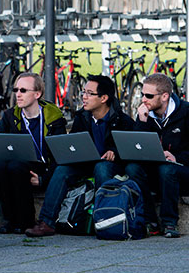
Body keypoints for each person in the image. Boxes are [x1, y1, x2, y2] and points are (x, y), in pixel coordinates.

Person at [25, 74, 135, 237]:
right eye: (84, 92)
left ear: (104, 98)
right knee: (62, 170)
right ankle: (46, 222)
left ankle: (103, 219)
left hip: (111, 166)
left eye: (90, 93)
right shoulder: (82, 117)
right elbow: (74, 143)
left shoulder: (122, 120)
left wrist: (115, 152)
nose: (84, 97)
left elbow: (131, 147)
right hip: (86, 162)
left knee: (101, 168)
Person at [0, 72, 67, 234]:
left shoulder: (53, 118)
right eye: (16, 90)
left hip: (43, 166)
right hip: (17, 162)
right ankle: (10, 220)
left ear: (37, 94)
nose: (18, 94)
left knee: (16, 167)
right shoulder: (10, 116)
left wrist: (43, 179)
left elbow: (60, 156)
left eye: (23, 90)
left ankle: (25, 220)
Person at [126, 73, 189, 238]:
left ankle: (170, 223)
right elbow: (137, 146)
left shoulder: (186, 112)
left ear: (164, 96)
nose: (143, 99)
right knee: (132, 168)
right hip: (155, 169)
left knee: (167, 170)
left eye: (148, 96)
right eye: (142, 94)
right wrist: (142, 121)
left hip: (181, 170)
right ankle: (150, 221)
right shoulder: (145, 114)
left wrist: (177, 157)